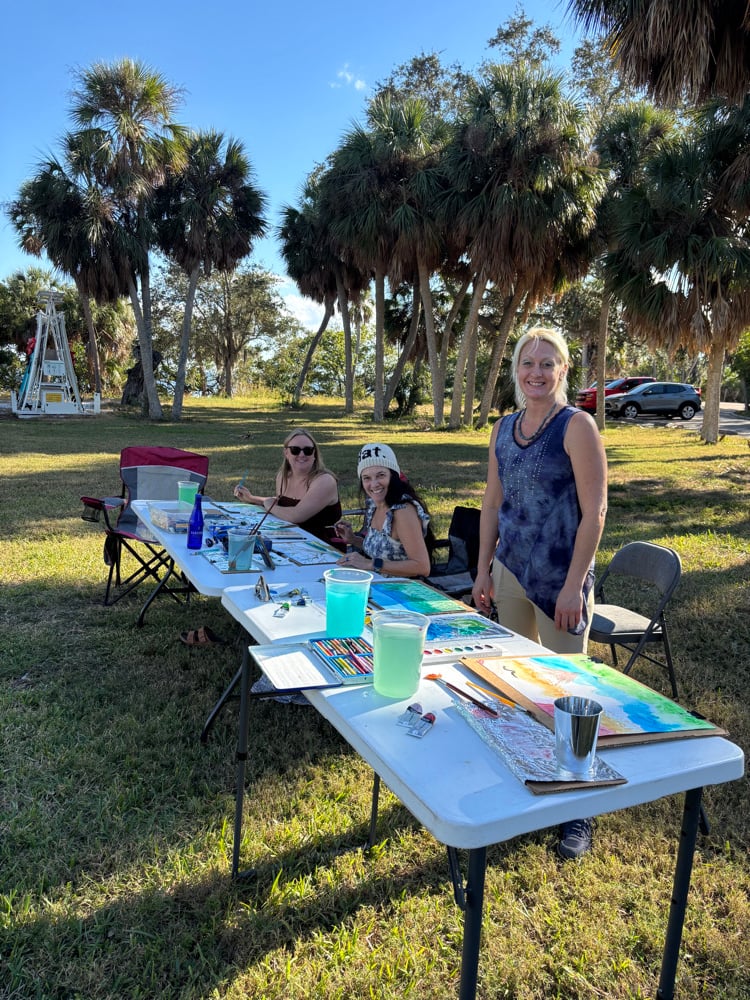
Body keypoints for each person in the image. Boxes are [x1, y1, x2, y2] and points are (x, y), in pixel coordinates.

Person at [471, 327, 608, 861]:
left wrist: (574, 586)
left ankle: (578, 808)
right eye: (528, 362)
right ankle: (527, 779)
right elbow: (491, 503)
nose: (536, 372)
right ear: (516, 369)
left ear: (563, 370)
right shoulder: (503, 428)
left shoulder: (577, 426)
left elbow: (595, 511)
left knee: (569, 693)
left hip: (559, 580)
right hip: (509, 572)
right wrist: (483, 571)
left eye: (547, 363)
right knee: (515, 682)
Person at [334, 443, 433, 578]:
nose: (374, 484)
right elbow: (383, 552)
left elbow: (422, 567)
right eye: (367, 478)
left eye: (380, 475)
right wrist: (353, 539)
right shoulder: (375, 505)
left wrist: (370, 564)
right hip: (376, 583)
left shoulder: (402, 511)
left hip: (401, 588)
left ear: (393, 476)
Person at [234, 428, 341, 542]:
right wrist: (251, 498)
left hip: (322, 544)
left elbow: (295, 516)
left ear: (314, 454)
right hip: (289, 540)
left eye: (308, 450)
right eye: (295, 450)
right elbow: (281, 504)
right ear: (286, 453)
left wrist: (268, 505)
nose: (302, 454)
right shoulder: (283, 476)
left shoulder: (324, 481)